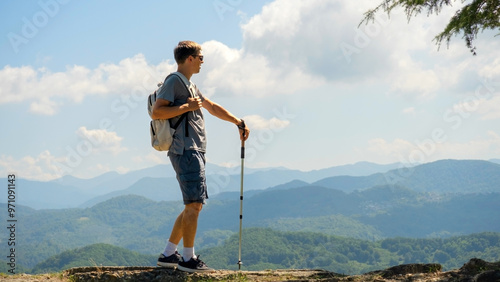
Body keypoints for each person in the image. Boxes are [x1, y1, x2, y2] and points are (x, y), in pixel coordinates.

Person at [152, 40, 250, 273]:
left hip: (194, 149)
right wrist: (185, 107)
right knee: (195, 204)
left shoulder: (190, 86)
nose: (203, 62)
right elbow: (157, 111)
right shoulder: (174, 81)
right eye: (201, 57)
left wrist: (238, 121)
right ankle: (188, 259)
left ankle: (168, 254)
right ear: (190, 59)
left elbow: (211, 106)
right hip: (185, 149)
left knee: (191, 205)